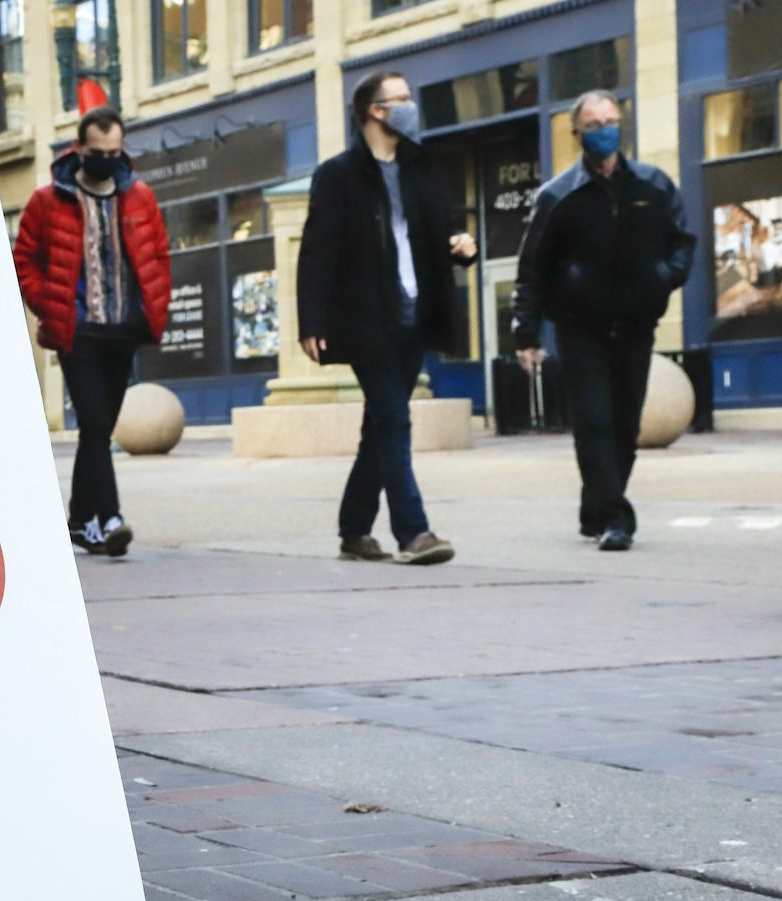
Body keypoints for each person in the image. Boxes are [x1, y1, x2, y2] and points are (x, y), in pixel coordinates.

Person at [298, 71, 476, 566]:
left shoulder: (420, 166)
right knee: (395, 419)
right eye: (401, 99)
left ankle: (354, 531)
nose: (411, 107)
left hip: (414, 313)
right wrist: (312, 320)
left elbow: (440, 230)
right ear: (375, 111)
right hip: (365, 317)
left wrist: (461, 245)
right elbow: (317, 251)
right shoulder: (338, 175)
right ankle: (413, 533)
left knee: (379, 428)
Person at [510, 89, 696, 552]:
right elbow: (532, 270)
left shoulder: (653, 186)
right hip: (580, 329)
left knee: (625, 426)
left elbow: (683, 242)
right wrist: (526, 333)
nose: (603, 131)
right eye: (593, 125)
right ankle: (616, 518)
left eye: (610, 122)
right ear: (577, 133)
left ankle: (596, 509)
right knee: (594, 422)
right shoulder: (558, 196)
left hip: (635, 325)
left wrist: (664, 277)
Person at [13, 106, 172, 557]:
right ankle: (111, 518)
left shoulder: (138, 196)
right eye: (98, 152)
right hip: (77, 331)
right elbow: (24, 260)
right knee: (95, 422)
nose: (107, 159)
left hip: (123, 329)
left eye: (114, 152)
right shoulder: (49, 200)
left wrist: (152, 307)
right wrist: (49, 303)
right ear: (79, 148)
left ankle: (80, 522)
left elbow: (159, 255)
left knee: (97, 431)